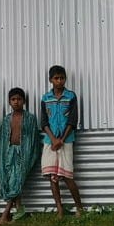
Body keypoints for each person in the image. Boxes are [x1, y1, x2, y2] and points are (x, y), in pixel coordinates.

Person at [40, 65, 84, 216]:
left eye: (62, 78)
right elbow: (43, 122)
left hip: (66, 140)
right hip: (49, 141)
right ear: (50, 80)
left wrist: (61, 140)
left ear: (65, 79)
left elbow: (73, 120)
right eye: (56, 78)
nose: (59, 81)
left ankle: (79, 207)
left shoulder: (71, 96)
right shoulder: (45, 98)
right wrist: (53, 139)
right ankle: (59, 209)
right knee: (53, 177)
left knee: (67, 175)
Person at [0, 87, 40, 224]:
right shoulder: (6, 119)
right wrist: (2, 157)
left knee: (16, 180)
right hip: (8, 155)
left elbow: (33, 140)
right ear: (9, 102)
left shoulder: (30, 119)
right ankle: (20, 210)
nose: (16, 102)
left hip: (23, 155)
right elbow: (2, 140)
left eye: (19, 99)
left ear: (24, 101)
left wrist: (30, 157)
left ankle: (5, 214)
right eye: (13, 99)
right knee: (10, 181)